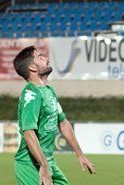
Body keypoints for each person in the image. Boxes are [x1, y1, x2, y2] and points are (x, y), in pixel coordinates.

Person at [12, 46, 96, 185]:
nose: (46, 58)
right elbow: (28, 132)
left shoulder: (49, 91)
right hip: (30, 164)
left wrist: (79, 154)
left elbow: (63, 123)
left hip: (47, 161)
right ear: (32, 68)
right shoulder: (31, 95)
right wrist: (43, 166)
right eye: (40, 56)